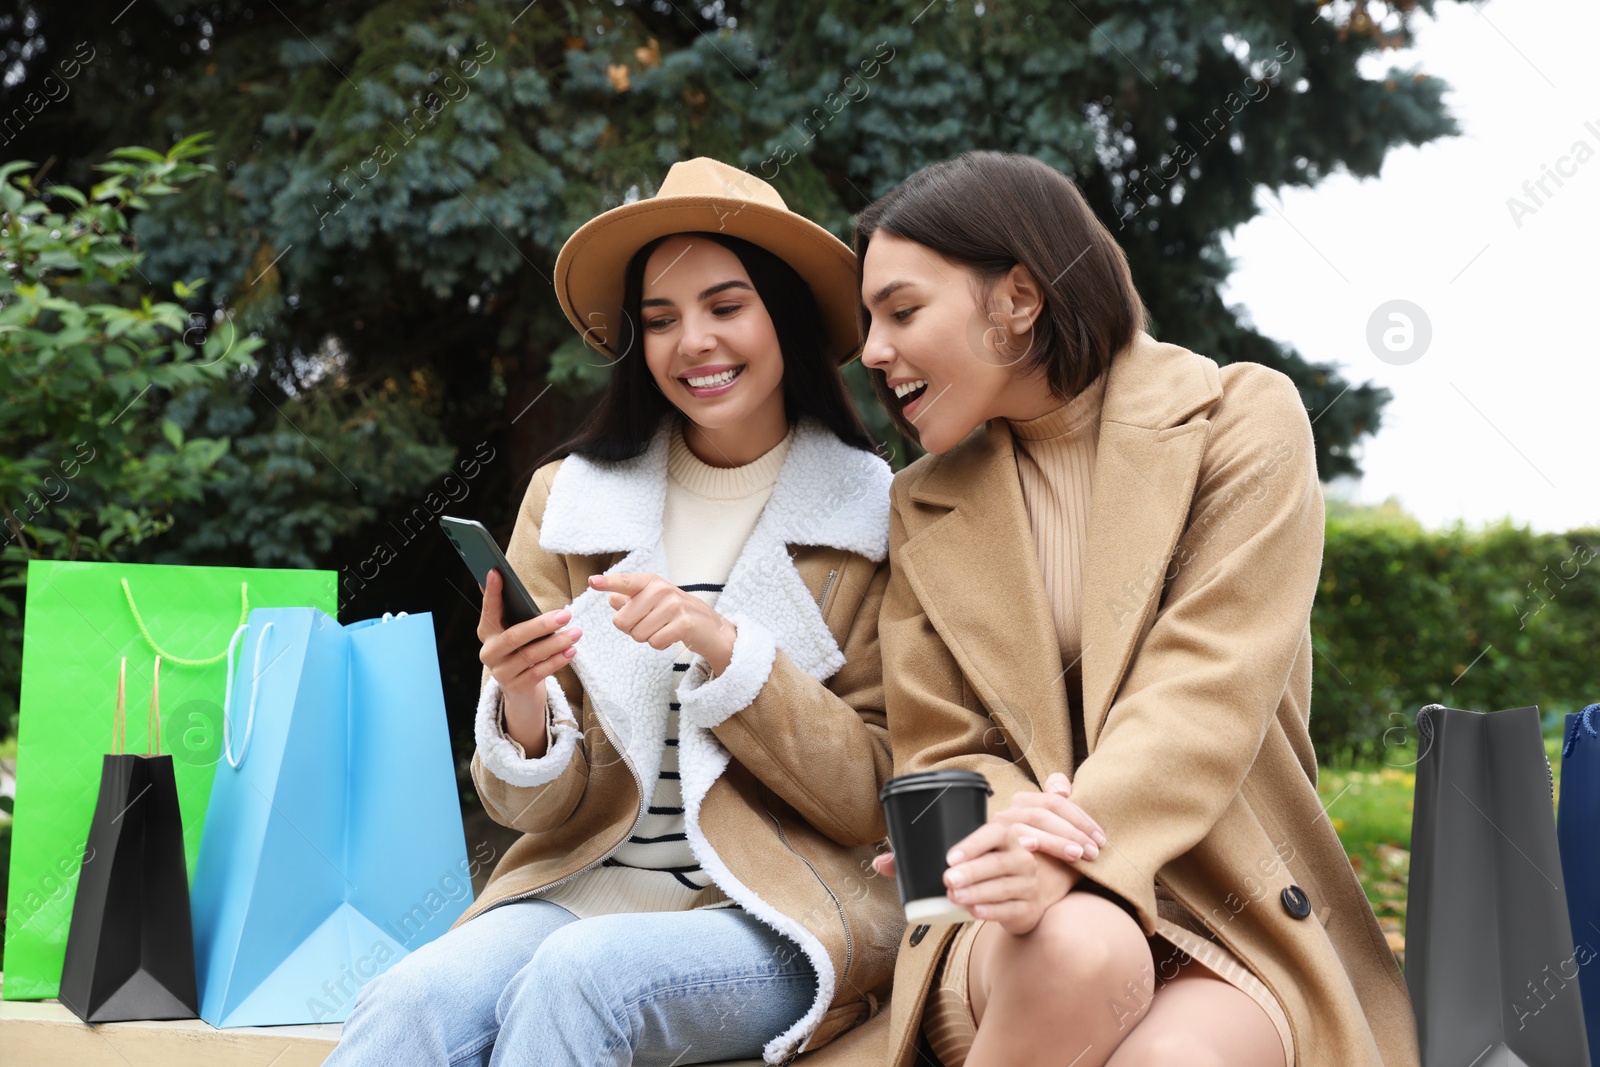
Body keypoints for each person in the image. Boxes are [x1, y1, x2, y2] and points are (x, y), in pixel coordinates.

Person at [325, 157, 902, 1067]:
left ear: (783, 313)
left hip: (780, 908)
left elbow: (873, 793)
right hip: (584, 882)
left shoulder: (875, 515)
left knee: (582, 976)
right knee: (408, 1001)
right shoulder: (571, 500)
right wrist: (519, 700)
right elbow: (537, 808)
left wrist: (728, 649)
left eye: (725, 306)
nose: (694, 343)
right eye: (661, 320)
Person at [854, 151, 1420, 1067]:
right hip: (1008, 920)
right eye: (868, 320)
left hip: (1222, 912)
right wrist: (1012, 843)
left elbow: (1207, 685)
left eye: (902, 310)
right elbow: (943, 745)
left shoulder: (1241, 421)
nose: (872, 350)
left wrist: (1063, 847)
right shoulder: (922, 501)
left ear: (1018, 301)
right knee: (1080, 946)